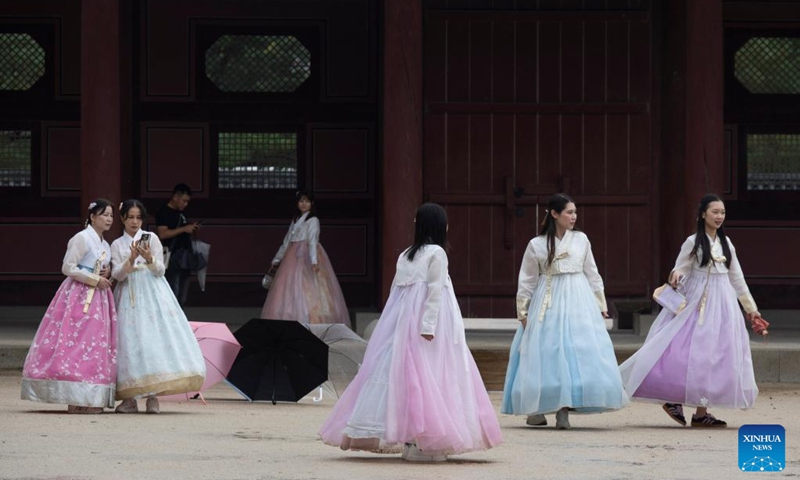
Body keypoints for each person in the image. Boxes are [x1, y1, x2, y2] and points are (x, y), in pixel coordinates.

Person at [319, 203, 502, 462]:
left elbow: (396, 294)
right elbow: (435, 291)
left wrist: (393, 326)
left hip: (405, 321)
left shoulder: (405, 254)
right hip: (433, 321)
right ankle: (426, 440)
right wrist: (428, 326)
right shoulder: (437, 253)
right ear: (441, 226)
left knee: (407, 374)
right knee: (433, 372)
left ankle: (412, 439)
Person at [619, 194, 761, 428]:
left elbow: (737, 278)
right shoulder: (693, 242)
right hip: (698, 301)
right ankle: (672, 399)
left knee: (714, 354)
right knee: (685, 351)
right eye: (715, 212)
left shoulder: (727, 244)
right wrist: (676, 275)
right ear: (703, 214)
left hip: (723, 303)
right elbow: (681, 268)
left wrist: (751, 309)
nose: (719, 216)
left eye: (722, 212)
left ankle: (701, 412)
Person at [502, 193, 628, 429]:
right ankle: (540, 407)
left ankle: (565, 408)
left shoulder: (581, 239)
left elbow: (592, 272)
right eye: (569, 212)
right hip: (548, 300)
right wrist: (523, 311)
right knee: (546, 351)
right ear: (554, 214)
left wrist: (600, 304)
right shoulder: (537, 244)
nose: (574, 216)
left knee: (575, 349)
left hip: (578, 299)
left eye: (575, 212)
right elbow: (527, 279)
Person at [20, 199, 117, 414]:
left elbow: (102, 266)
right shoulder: (81, 238)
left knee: (94, 344)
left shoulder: (105, 244)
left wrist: (106, 273)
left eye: (111, 215)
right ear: (92, 217)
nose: (109, 219)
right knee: (75, 343)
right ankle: (74, 398)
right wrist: (93, 278)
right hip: (78, 295)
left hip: (98, 298)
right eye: (104, 214)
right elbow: (67, 267)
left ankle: (89, 398)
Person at [111, 199, 206, 414]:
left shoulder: (151, 238)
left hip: (152, 293)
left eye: (138, 217)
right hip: (128, 295)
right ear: (122, 218)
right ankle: (130, 398)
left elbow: (161, 270)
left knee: (152, 339)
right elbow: (117, 274)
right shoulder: (116, 244)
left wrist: (149, 258)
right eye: (130, 217)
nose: (134, 222)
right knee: (128, 342)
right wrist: (130, 260)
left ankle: (153, 397)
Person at [261, 191, 350, 327]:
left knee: (309, 286)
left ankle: (310, 318)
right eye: (301, 201)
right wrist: (277, 259)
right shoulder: (296, 219)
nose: (304, 204)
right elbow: (287, 240)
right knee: (288, 287)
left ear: (312, 204)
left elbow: (313, 240)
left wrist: (314, 260)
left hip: (307, 254)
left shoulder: (313, 220)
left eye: (307, 201)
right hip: (292, 255)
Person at [156, 183, 199, 306]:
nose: (185, 204)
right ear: (175, 197)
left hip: (185, 258)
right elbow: (162, 233)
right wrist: (184, 229)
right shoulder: (164, 212)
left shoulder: (181, 213)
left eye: (187, 201)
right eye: (184, 201)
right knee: (172, 293)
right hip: (172, 257)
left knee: (182, 296)